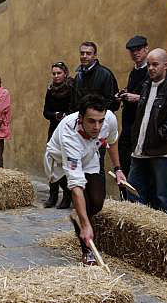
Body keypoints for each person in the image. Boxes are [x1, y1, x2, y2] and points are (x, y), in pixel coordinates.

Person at [44, 94, 127, 265]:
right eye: (91, 121)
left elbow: (112, 141)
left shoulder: (109, 119)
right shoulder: (69, 133)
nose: (97, 126)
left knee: (97, 201)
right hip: (62, 161)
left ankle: (79, 217)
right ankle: (87, 251)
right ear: (81, 118)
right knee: (85, 204)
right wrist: (85, 223)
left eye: (100, 121)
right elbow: (76, 186)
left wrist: (118, 169)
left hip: (89, 156)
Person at [127, 48, 167, 214]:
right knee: (133, 192)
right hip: (140, 150)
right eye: (149, 65)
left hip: (161, 152)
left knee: (161, 198)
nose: (151, 68)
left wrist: (156, 137)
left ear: (165, 65)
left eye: (155, 64)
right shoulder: (146, 85)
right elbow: (143, 116)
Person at [75, 41, 120, 173]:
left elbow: (112, 103)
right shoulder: (79, 76)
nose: (84, 56)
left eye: (88, 53)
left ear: (95, 56)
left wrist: (97, 117)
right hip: (80, 129)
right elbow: (75, 103)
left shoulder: (105, 74)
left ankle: (97, 194)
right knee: (79, 167)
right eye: (82, 53)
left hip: (98, 128)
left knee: (96, 168)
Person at [117, 36, 150, 193]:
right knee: (124, 165)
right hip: (128, 127)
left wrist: (137, 98)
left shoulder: (150, 71)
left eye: (138, 50)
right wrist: (124, 94)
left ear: (146, 49)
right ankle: (126, 200)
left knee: (140, 171)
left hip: (142, 128)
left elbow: (158, 97)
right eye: (132, 51)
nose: (135, 53)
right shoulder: (134, 71)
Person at [42, 61, 76, 208]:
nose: (56, 76)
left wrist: (66, 116)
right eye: (54, 73)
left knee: (65, 162)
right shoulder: (50, 90)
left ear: (65, 73)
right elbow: (46, 112)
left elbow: (75, 109)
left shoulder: (72, 88)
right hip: (54, 129)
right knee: (51, 161)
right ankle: (53, 194)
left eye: (59, 73)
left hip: (68, 130)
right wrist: (55, 115)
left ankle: (67, 195)